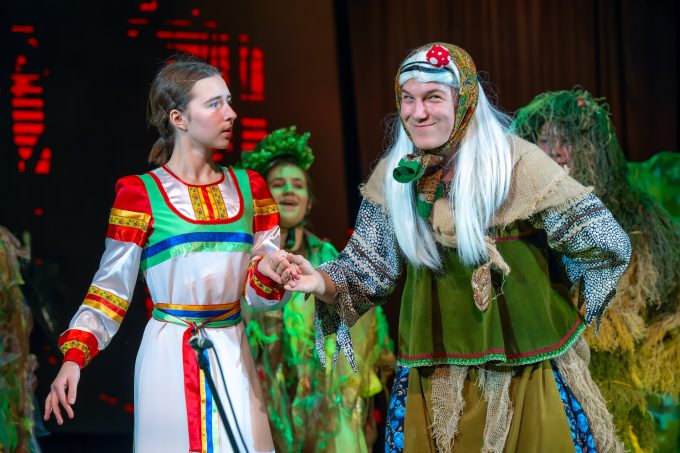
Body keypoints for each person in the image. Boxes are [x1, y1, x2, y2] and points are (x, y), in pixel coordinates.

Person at [281, 43, 631, 452]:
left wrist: (565, 285)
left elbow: (605, 240)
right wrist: (320, 280)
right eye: (407, 99)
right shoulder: (396, 176)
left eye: (433, 97)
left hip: (525, 374)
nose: (418, 113)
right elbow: (366, 267)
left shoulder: (515, 165)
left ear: (463, 100)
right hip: (434, 378)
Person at [43, 57, 297, 453]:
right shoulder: (140, 194)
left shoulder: (251, 189)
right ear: (178, 118)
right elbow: (110, 289)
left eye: (229, 101)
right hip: (168, 354)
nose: (230, 114)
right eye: (214, 104)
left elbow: (261, 297)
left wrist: (269, 270)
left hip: (232, 348)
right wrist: (74, 357)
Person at [513, 88, 680, 452]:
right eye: (546, 140)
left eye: (568, 140)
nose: (557, 151)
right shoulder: (517, 221)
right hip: (539, 383)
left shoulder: (636, 219)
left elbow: (667, 307)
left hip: (609, 387)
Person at [239, 126, 395, 452]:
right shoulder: (244, 259)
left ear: (309, 201)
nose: (288, 191)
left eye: (298, 185)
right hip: (260, 396)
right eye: (278, 184)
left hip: (320, 408)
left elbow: (360, 328)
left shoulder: (325, 257)